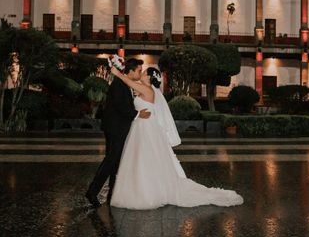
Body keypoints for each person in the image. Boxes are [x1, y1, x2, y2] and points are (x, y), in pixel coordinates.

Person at [109, 65, 243, 210]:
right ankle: (144, 188)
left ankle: (147, 192)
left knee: (144, 158)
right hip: (141, 127)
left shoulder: (147, 90)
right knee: (142, 158)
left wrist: (117, 73)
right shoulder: (143, 89)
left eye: (144, 72)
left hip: (146, 128)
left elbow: (128, 82)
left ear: (149, 77)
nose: (141, 73)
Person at [85, 58, 151, 207]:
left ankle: (112, 194)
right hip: (115, 128)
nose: (140, 73)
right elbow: (121, 106)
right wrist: (138, 114)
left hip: (117, 127)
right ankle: (92, 191)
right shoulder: (119, 84)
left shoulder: (124, 83)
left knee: (115, 162)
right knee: (110, 161)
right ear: (131, 71)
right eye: (139, 70)